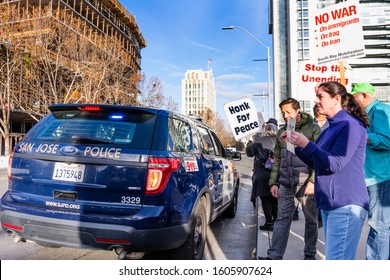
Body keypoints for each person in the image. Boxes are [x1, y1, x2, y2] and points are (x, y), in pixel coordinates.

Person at [288, 81, 370, 260]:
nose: (316, 101)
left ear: (337, 99)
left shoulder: (350, 125)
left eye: (321, 97)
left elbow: (335, 163)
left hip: (345, 202)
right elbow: (317, 161)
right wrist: (297, 146)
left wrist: (307, 144)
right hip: (331, 203)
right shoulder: (330, 127)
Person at [258, 98, 321, 260]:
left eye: (288, 112)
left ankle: (309, 254)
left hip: (306, 182)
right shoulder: (281, 132)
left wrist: (313, 181)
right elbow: (277, 159)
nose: (285, 116)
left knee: (311, 220)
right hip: (285, 183)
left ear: (298, 110)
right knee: (282, 219)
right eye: (283, 113)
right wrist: (273, 182)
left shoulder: (313, 129)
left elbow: (319, 157)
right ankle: (274, 256)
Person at [350, 82, 390, 260]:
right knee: (378, 225)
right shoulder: (369, 112)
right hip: (373, 176)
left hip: (379, 177)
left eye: (354, 97)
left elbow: (387, 139)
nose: (353, 101)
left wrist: (364, 137)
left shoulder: (380, 110)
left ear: (364, 96)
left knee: (379, 226)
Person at [246, 118, 279, 231]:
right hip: (276, 174)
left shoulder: (259, 140)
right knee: (274, 199)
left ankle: (269, 223)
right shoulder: (279, 141)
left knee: (265, 199)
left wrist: (249, 142)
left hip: (261, 175)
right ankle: (276, 221)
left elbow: (249, 153)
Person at [312, 104, 329, 228]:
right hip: (314, 158)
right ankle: (319, 218)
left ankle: (322, 217)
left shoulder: (331, 124)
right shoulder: (312, 125)